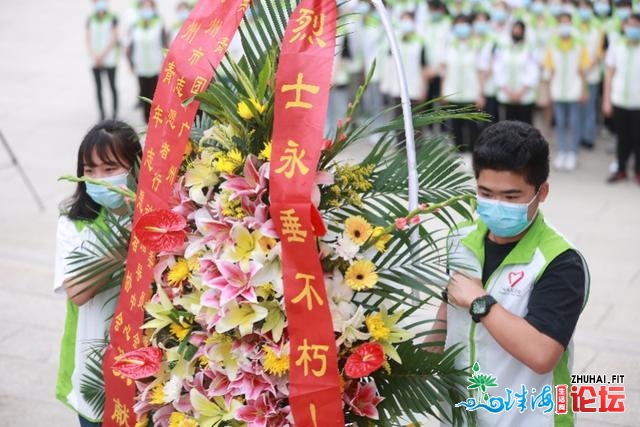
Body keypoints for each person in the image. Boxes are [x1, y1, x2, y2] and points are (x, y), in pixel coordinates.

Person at [428, 121, 589, 426]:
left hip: (526, 417)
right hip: (460, 415)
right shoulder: (460, 239)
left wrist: (481, 302)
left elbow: (541, 355)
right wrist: (417, 369)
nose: (496, 205)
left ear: (541, 193)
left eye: (511, 197)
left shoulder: (560, 261)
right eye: (486, 193)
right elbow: (447, 310)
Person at [54, 120, 142, 427]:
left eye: (109, 169)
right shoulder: (74, 223)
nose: (98, 179)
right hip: (95, 372)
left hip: (149, 368)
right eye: (89, 170)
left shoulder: (159, 217)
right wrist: (127, 239)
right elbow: (77, 291)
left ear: (135, 169)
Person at [543, 12, 589, 171]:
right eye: (561, 22)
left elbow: (583, 70)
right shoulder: (552, 45)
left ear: (571, 24)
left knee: (574, 124)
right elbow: (549, 71)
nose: (564, 25)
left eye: (567, 22)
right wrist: (549, 92)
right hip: (558, 91)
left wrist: (584, 90)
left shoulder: (579, 45)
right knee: (560, 124)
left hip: (574, 90)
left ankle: (573, 153)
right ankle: (562, 151)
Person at [602, 13, 640, 184]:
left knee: (638, 138)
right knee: (621, 138)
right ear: (625, 26)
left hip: (637, 103)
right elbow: (609, 74)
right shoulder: (616, 46)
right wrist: (606, 100)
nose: (632, 28)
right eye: (630, 24)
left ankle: (638, 172)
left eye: (636, 25)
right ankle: (621, 169)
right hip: (619, 101)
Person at [493, 20, 540, 123]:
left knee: (525, 126)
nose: (517, 31)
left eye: (519, 29)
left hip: (525, 96)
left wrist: (521, 92)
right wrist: (507, 90)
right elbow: (498, 69)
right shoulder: (503, 47)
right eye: (515, 29)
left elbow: (533, 71)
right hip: (506, 95)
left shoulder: (529, 48)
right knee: (508, 127)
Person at [126, 0, 166, 122]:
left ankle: (154, 119)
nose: (146, 10)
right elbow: (130, 46)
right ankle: (145, 119)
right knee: (143, 93)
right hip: (141, 66)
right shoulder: (135, 26)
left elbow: (164, 43)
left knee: (154, 94)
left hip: (155, 66)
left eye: (149, 7)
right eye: (144, 7)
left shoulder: (158, 24)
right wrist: (131, 63)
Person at [86, 0, 120, 120]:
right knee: (98, 87)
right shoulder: (90, 19)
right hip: (95, 60)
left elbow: (114, 37)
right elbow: (88, 39)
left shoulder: (112, 18)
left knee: (112, 86)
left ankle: (115, 113)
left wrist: (102, 55)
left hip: (109, 59)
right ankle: (102, 114)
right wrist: (95, 56)